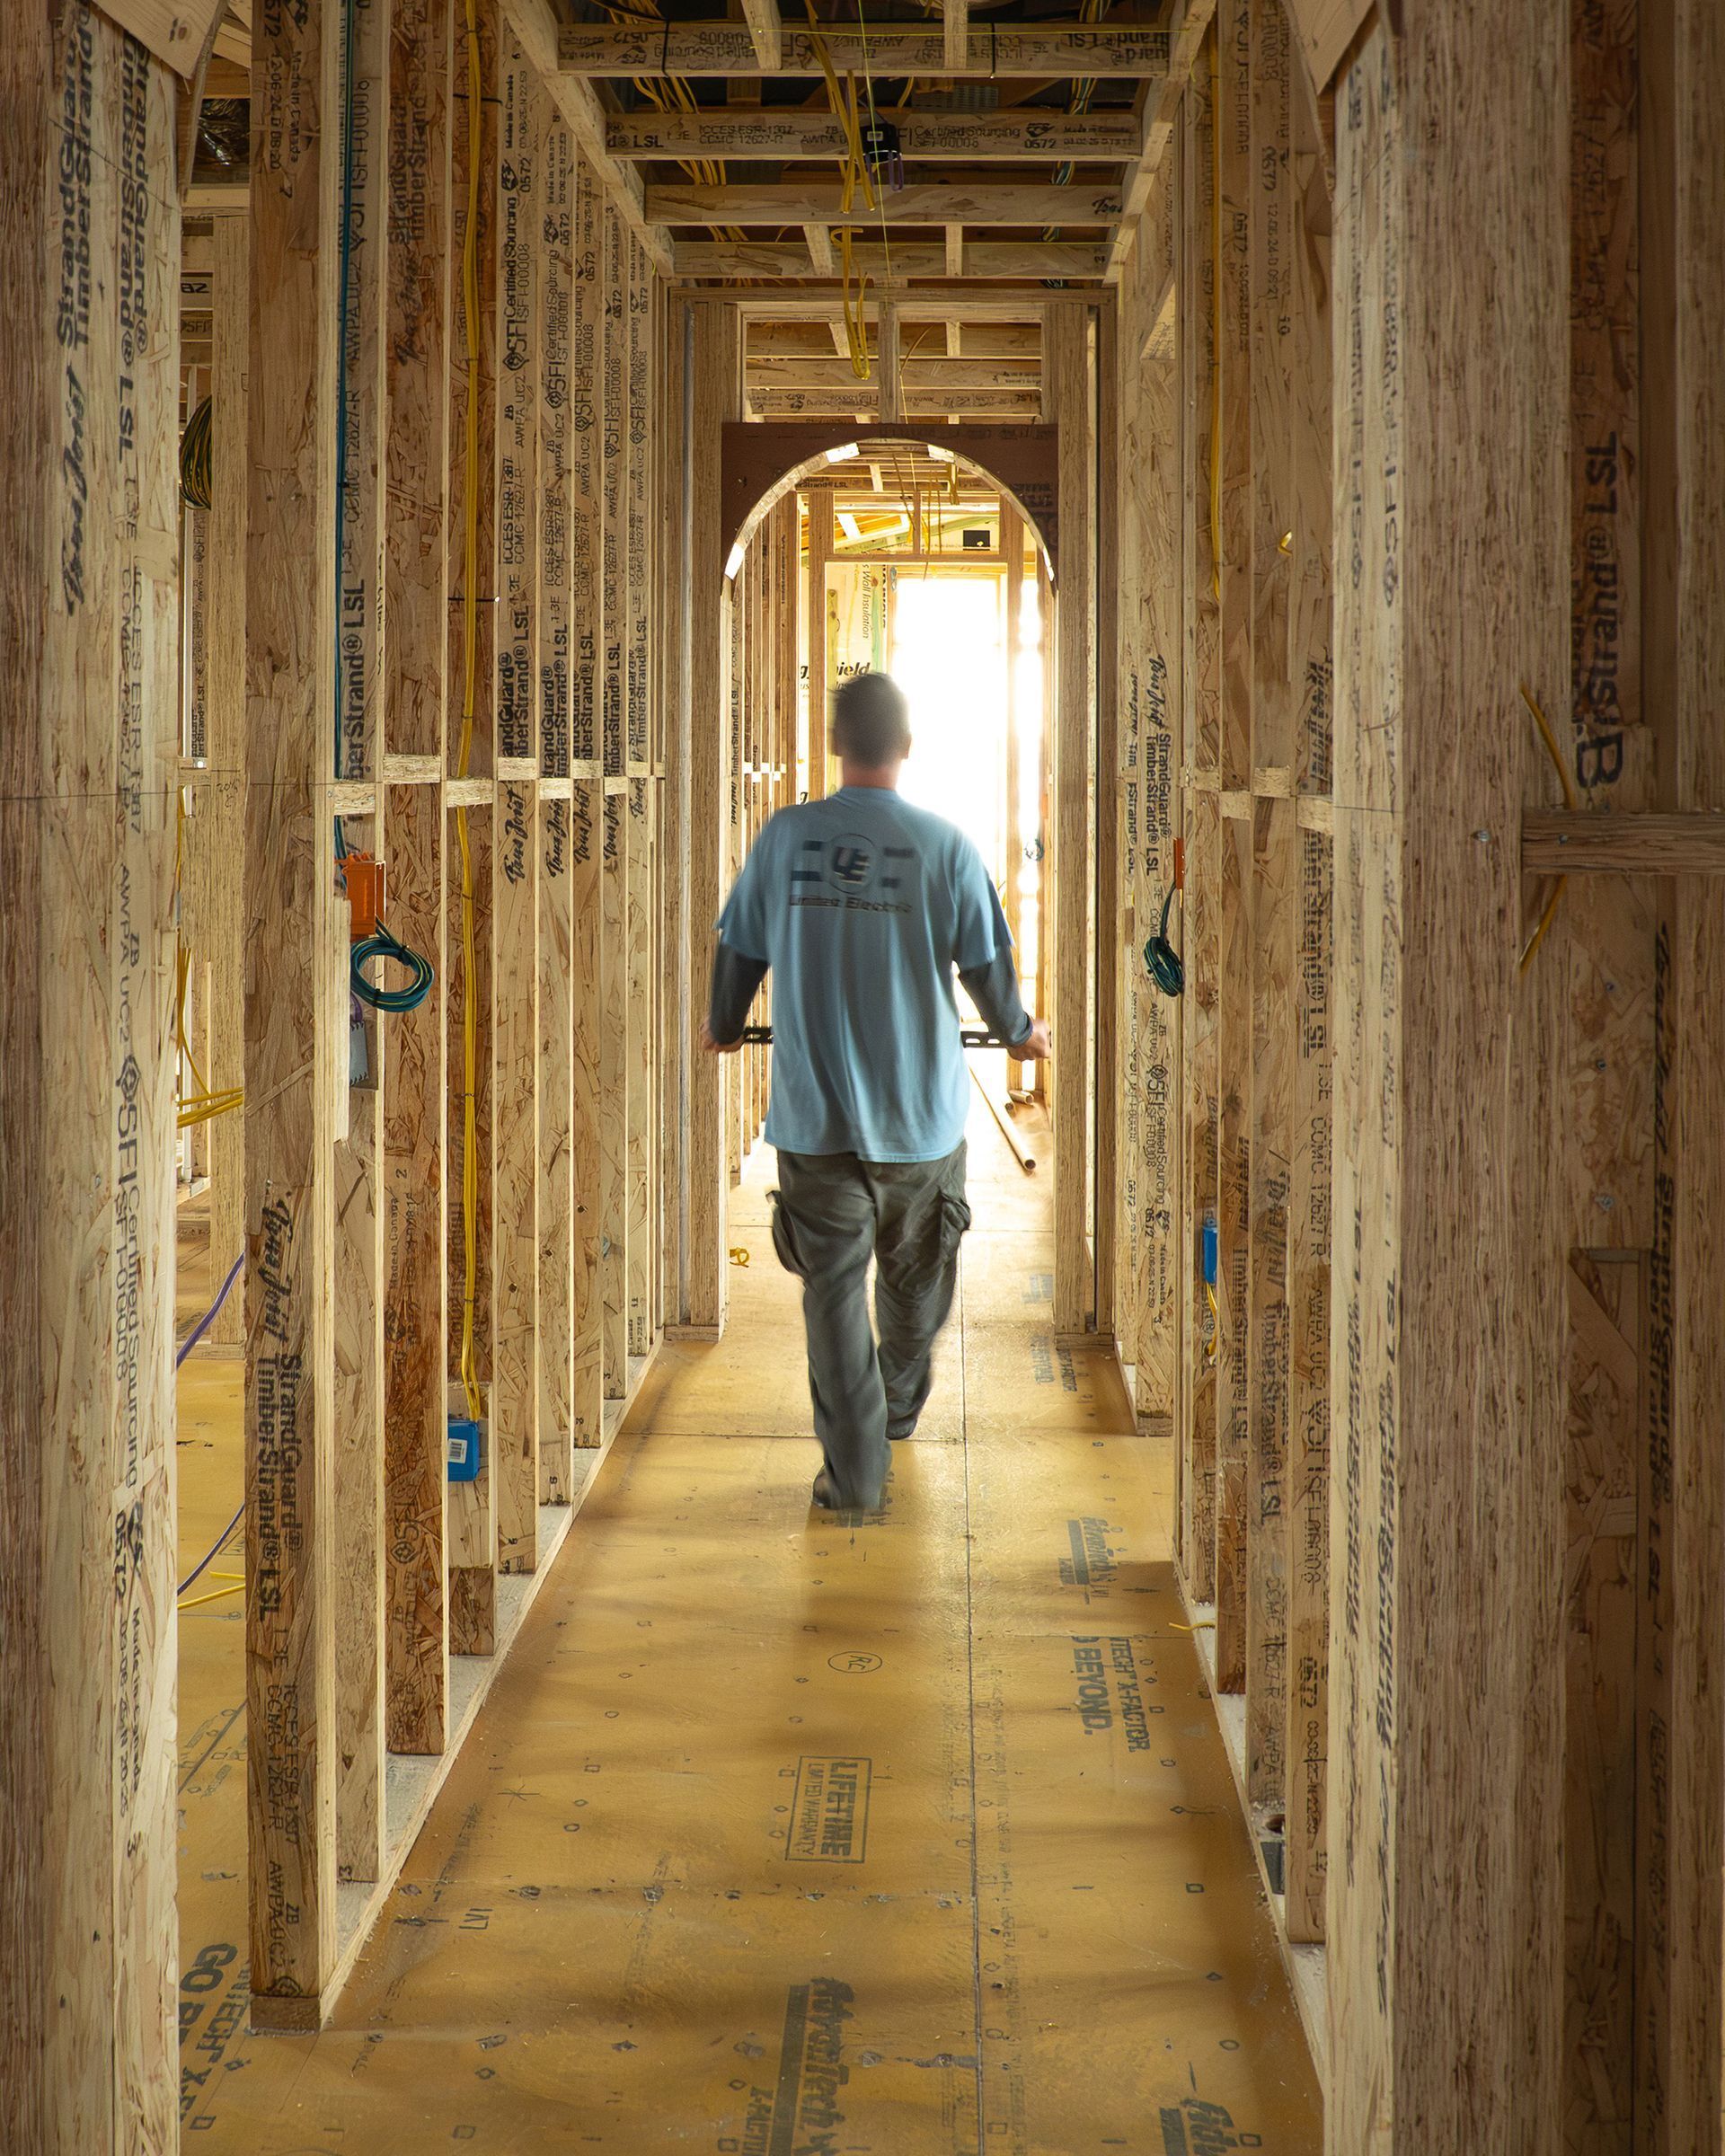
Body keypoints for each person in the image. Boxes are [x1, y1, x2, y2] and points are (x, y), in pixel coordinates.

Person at [701, 668, 1051, 1513]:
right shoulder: (945, 846)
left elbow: (740, 947)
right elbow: (987, 968)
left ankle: (856, 1473)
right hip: (921, 1126)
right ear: (908, 746)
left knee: (831, 1301)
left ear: (835, 744)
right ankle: (894, 1406)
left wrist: (725, 1023)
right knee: (916, 1283)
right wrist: (1020, 1033)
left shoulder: (786, 838)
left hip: (814, 1127)